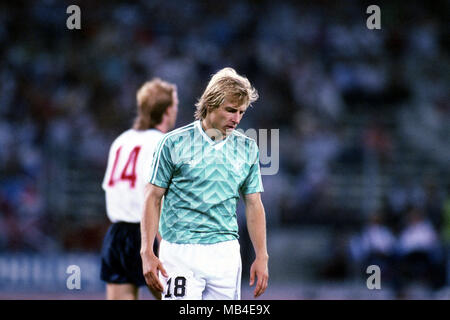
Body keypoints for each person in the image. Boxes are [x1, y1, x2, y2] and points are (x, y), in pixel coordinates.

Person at [140, 67, 269, 300]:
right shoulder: (173, 143)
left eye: (241, 112)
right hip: (180, 250)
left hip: (225, 253)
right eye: (230, 110)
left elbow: (254, 204)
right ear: (210, 104)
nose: (237, 119)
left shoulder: (247, 148)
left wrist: (262, 256)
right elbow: (153, 197)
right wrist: (146, 251)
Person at [100, 78, 179, 300]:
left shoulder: (121, 141)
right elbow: (157, 196)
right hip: (150, 232)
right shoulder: (163, 143)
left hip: (117, 233)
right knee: (177, 299)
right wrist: (167, 245)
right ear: (168, 110)